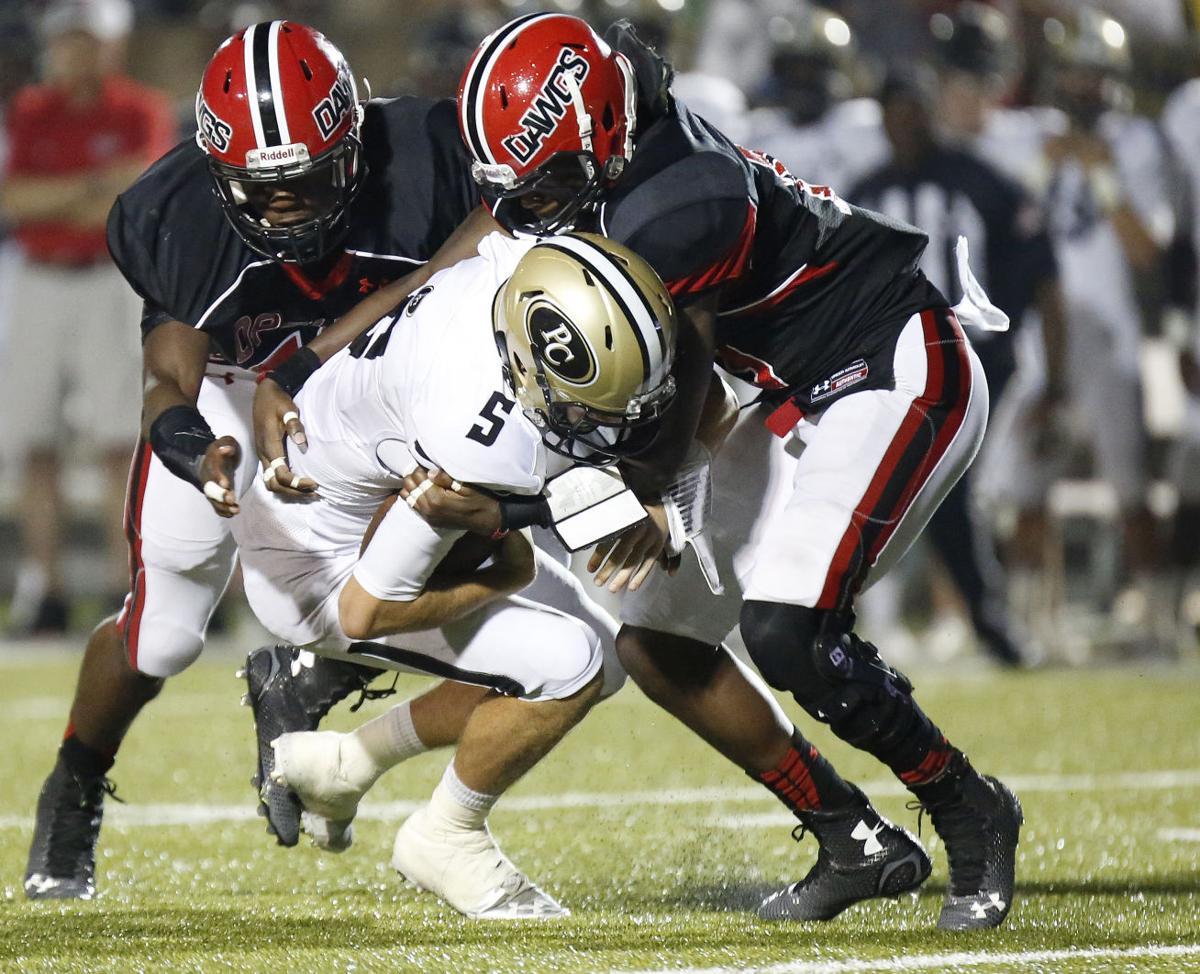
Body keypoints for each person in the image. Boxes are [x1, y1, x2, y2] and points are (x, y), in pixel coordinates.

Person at [276, 12, 1018, 930]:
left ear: (599, 140)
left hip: (888, 364)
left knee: (789, 631)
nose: (528, 207)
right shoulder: (600, 127)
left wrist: (595, 506)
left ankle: (968, 807)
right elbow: (467, 245)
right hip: (776, 394)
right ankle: (851, 838)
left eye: (544, 181)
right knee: (657, 642)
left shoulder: (681, 202)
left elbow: (679, 402)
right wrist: (311, 366)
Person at [23, 19, 496, 900]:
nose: (286, 208)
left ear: (353, 144)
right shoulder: (174, 215)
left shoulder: (427, 153)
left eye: (309, 180)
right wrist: (196, 446)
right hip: (235, 393)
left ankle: (314, 676)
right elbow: (168, 377)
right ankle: (75, 783)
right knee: (162, 632)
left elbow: (500, 226)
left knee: (449, 566)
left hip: (375, 387)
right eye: (260, 188)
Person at [233, 231, 674, 919]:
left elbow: (422, 276)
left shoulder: (509, 264)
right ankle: (446, 837)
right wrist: (505, 562)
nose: (610, 421)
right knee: (574, 664)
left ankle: (345, 764)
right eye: (593, 405)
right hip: (315, 574)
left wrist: (290, 373)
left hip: (350, 491)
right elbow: (364, 613)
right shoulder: (473, 438)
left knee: (602, 658)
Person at [846, 64, 1065, 667]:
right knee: (909, 490)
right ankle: (966, 619)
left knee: (953, 489)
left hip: (979, 364)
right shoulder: (864, 193)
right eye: (894, 114)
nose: (905, 125)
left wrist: (1055, 372)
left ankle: (989, 618)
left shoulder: (982, 181)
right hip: (892, 369)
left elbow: (1042, 275)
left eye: (913, 111)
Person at [0, 0, 174, 635]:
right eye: (72, 40)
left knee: (118, 445)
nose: (81, 53)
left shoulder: (140, 108)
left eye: (91, 40)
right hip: (44, 279)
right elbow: (14, 202)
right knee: (33, 443)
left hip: (109, 281)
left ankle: (121, 583)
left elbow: (136, 200)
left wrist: (62, 196)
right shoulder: (31, 110)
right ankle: (41, 588)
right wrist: (92, 188)